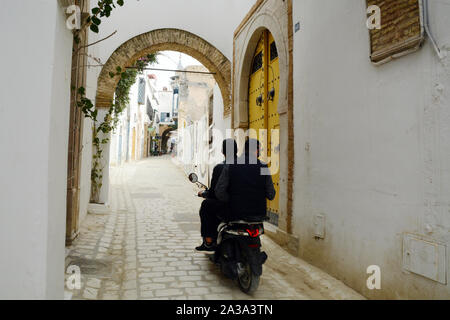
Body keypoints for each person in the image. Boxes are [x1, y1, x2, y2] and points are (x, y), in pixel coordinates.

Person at [214, 138, 276, 222]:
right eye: (260, 150)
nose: (260, 153)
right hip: (258, 215)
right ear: (256, 150)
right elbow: (271, 194)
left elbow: (219, 191)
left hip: (234, 214)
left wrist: (231, 200)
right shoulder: (263, 167)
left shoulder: (230, 165)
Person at [195, 139, 238, 252]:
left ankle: (208, 241)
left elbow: (214, 192)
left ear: (222, 151)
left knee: (206, 205)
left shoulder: (220, 167)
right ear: (237, 150)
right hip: (245, 206)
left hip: (228, 207)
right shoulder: (244, 166)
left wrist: (205, 194)